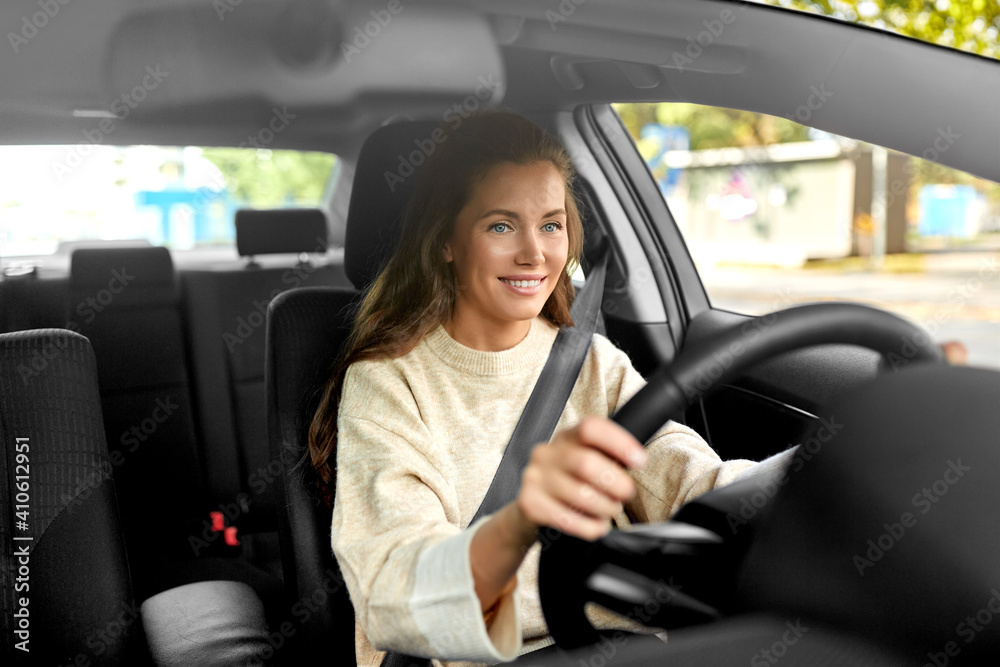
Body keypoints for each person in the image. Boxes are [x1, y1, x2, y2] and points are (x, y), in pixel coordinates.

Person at [307, 111, 966, 667]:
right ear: (447, 240)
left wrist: (880, 440)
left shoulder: (586, 358)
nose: (536, 253)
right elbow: (392, 587)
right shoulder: (389, 381)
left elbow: (699, 485)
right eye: (501, 225)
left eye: (552, 223)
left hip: (619, 640)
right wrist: (518, 525)